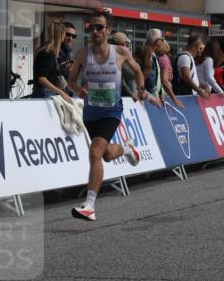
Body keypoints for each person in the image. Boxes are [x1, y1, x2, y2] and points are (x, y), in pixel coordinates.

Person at [68, 11, 144, 222]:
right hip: (91, 112)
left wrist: (141, 89)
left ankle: (89, 205)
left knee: (95, 152)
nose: (95, 31)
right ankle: (127, 148)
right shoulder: (82, 54)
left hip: (112, 111)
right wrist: (78, 90)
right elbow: (71, 81)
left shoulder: (120, 52)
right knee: (107, 154)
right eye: (91, 27)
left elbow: (138, 71)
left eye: (99, 27)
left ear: (108, 31)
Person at [32, 20, 72, 101]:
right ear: (61, 35)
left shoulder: (46, 49)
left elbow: (46, 71)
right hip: (45, 93)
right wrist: (61, 93)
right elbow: (41, 78)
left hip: (45, 92)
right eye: (65, 33)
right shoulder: (48, 52)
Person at [175, 33, 211, 97]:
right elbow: (186, 78)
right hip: (186, 96)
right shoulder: (185, 57)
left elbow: (190, 78)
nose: (200, 52)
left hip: (189, 95)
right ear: (194, 46)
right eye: (200, 48)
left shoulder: (189, 58)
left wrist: (201, 85)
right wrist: (199, 91)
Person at [154, 38, 184, 108]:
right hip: (164, 89)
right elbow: (165, 81)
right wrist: (174, 99)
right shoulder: (164, 60)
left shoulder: (156, 57)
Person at [110, 32, 139, 98]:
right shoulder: (115, 57)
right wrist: (131, 93)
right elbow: (120, 79)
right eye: (125, 43)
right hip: (120, 95)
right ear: (121, 44)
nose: (126, 46)